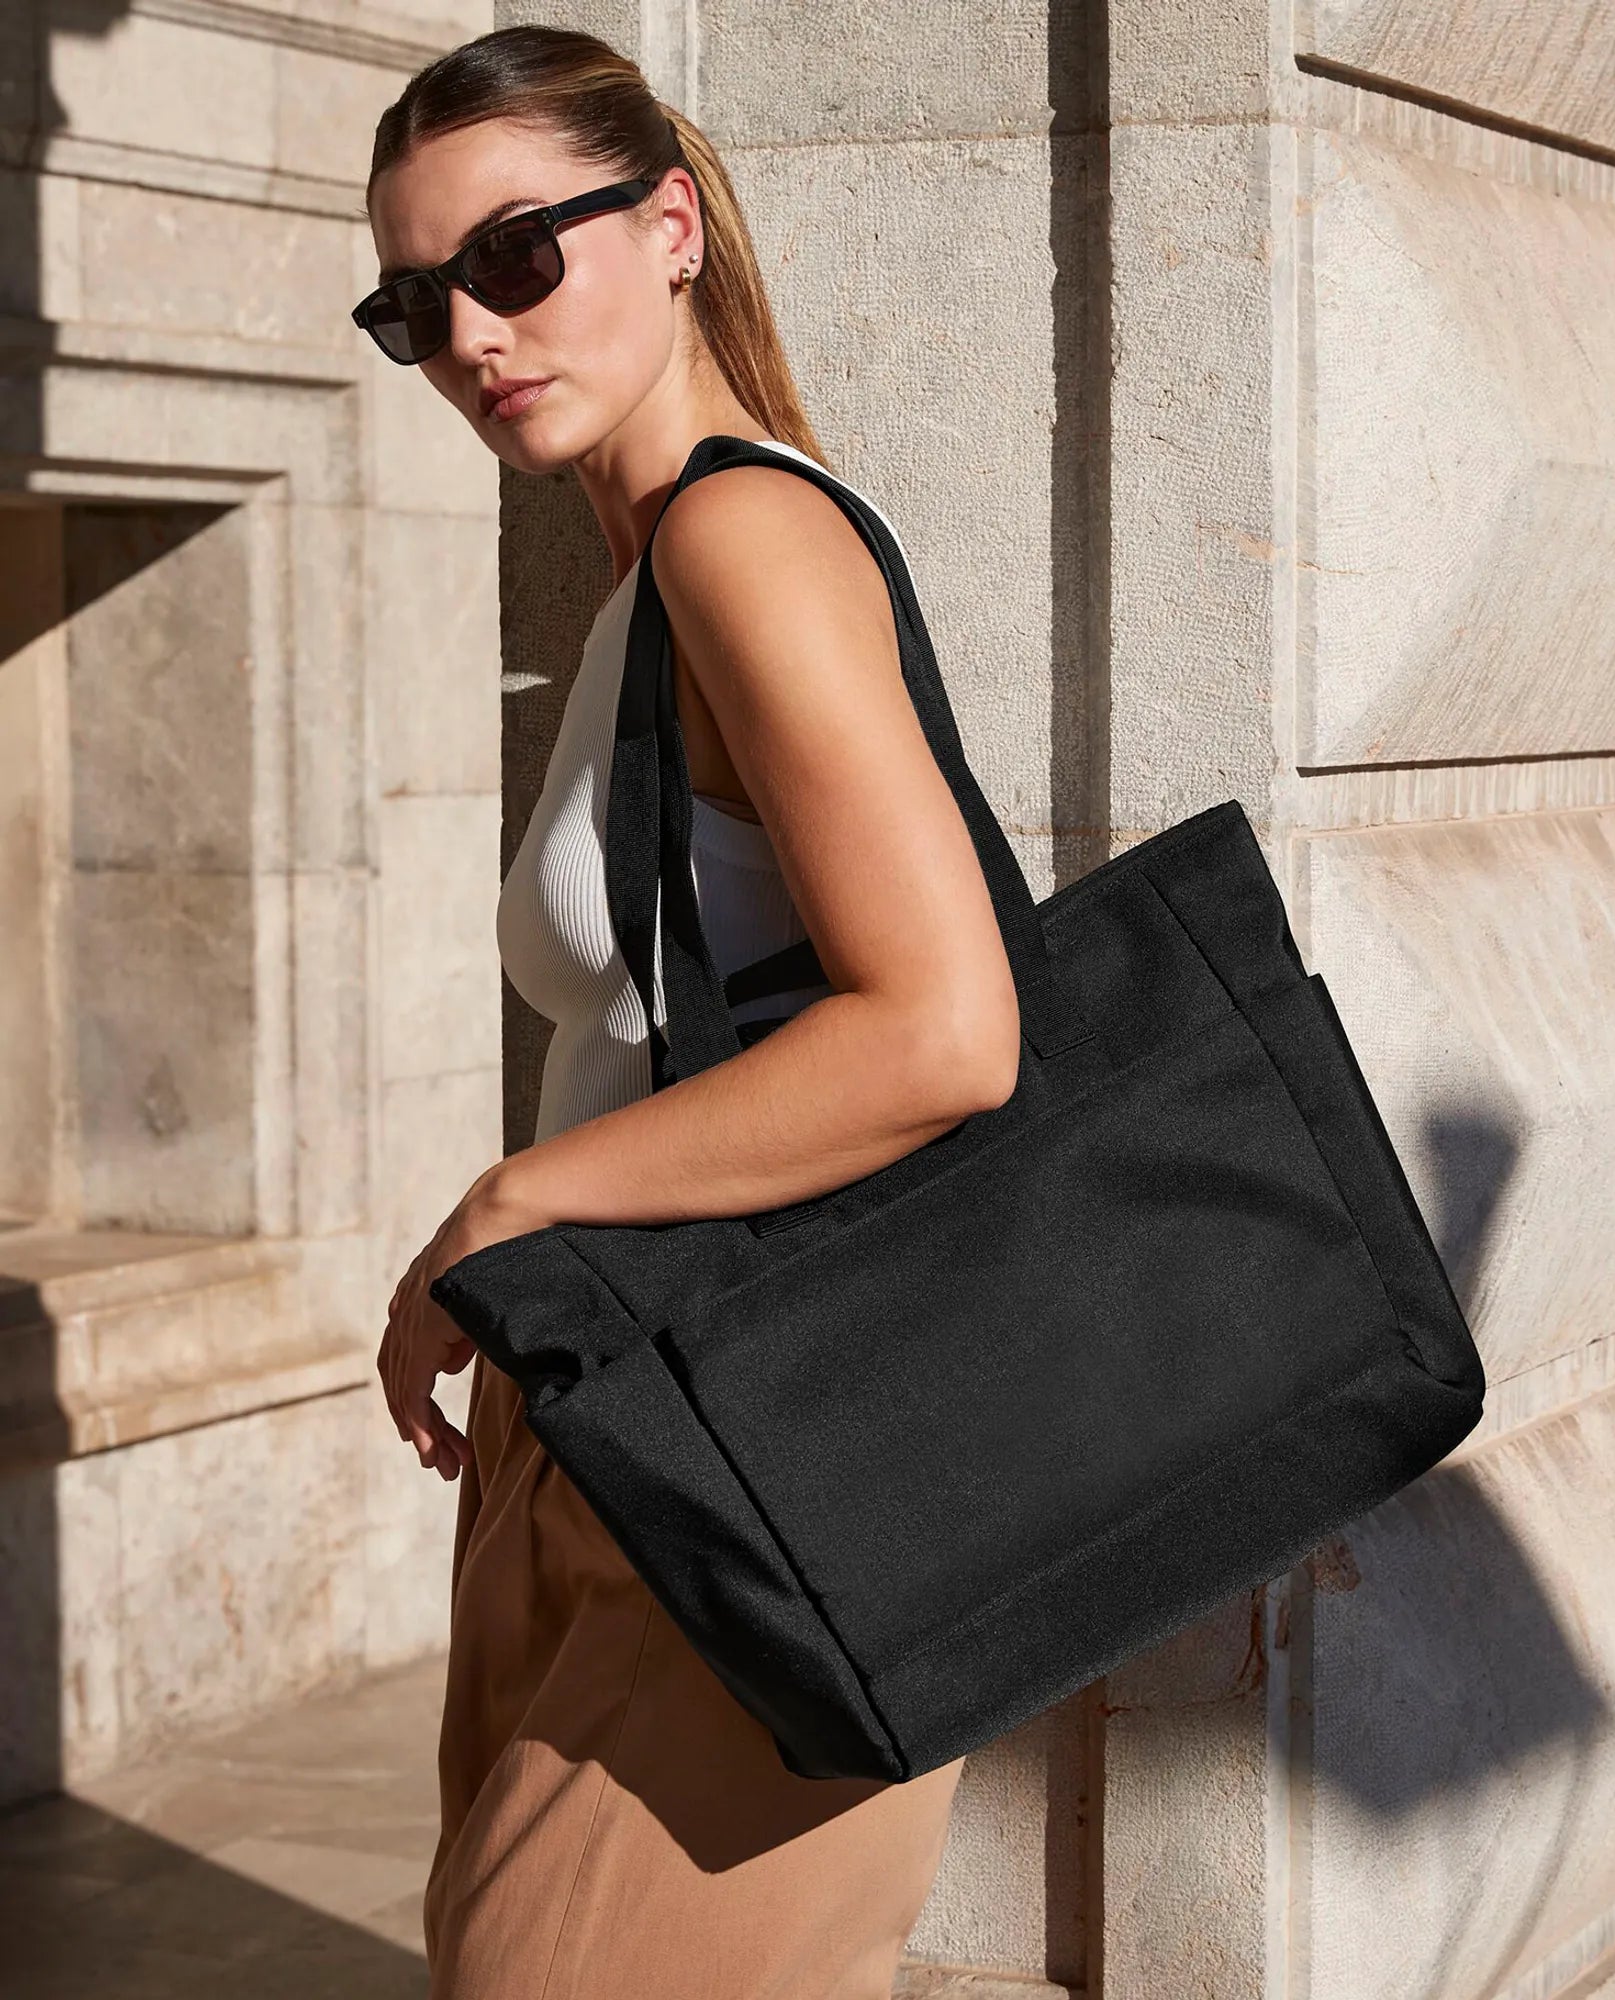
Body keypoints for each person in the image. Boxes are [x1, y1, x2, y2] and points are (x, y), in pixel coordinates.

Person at [357, 24, 1024, 2000]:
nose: (470, 333)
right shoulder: (646, 582)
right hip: (624, 1411)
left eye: (512, 256)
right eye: (413, 304)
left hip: (764, 1442)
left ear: (668, 226)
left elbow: (946, 1029)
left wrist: (505, 1207)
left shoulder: (746, 537)